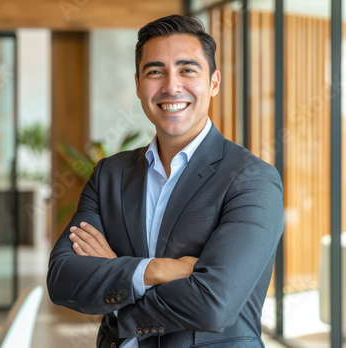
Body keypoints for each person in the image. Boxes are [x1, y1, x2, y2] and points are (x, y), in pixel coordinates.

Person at [47, 14, 283, 348]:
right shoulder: (109, 174)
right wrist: (156, 270)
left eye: (188, 70)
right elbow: (62, 280)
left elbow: (214, 305)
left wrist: (118, 286)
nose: (171, 86)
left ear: (214, 82)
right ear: (138, 84)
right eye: (155, 71)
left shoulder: (251, 179)